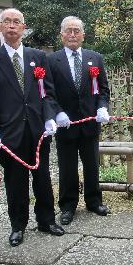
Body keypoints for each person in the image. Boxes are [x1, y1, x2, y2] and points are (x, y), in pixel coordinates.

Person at [0, 8, 64, 247]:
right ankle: (18, 225)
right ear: (0, 27)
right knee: (15, 181)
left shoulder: (38, 56)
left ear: (24, 28)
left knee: (43, 177)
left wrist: (50, 117)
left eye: (17, 22)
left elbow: (47, 93)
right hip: (8, 132)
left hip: (38, 130)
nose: (12, 26)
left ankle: (46, 220)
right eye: (7, 22)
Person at [47, 16, 111, 226]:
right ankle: (67, 206)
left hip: (90, 122)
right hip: (66, 124)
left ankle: (94, 201)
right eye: (69, 31)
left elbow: (103, 89)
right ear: (62, 35)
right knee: (67, 167)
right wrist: (57, 113)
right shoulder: (51, 60)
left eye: (77, 31)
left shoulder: (95, 58)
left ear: (83, 35)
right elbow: (47, 92)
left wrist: (102, 106)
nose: (73, 34)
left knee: (92, 165)